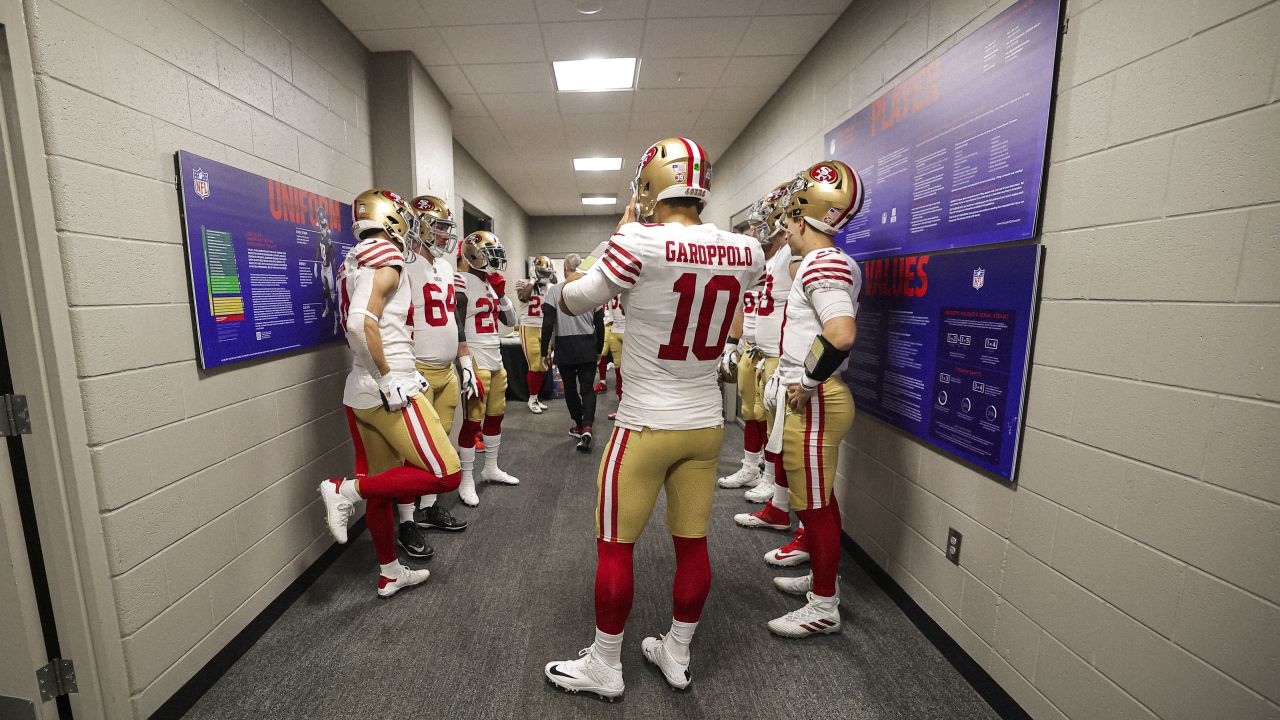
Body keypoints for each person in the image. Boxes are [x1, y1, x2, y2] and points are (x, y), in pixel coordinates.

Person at [544, 137, 764, 700]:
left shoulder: (636, 239)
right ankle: (678, 650)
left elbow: (571, 299)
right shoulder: (748, 249)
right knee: (693, 543)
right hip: (706, 424)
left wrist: (617, 236)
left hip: (645, 423)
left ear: (650, 186)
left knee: (615, 545)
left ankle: (606, 664)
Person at [317, 188, 461, 598]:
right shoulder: (387, 256)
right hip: (388, 386)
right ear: (391, 219)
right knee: (444, 473)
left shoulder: (357, 257)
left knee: (381, 482)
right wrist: (387, 380)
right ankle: (343, 489)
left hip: (358, 389)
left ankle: (390, 572)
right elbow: (361, 323)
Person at [762, 160, 864, 636]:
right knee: (817, 500)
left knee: (815, 506)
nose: (786, 231)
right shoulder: (828, 262)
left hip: (817, 398)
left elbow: (840, 334)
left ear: (803, 220)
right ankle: (824, 585)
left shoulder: (823, 261)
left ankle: (823, 608)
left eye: (788, 222)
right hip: (815, 395)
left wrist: (802, 382)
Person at [730, 183, 811, 569]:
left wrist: (803, 372)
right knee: (759, 419)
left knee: (782, 438)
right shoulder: (769, 259)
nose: (756, 230)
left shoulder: (797, 261)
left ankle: (776, 498)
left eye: (766, 221)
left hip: (789, 363)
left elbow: (826, 323)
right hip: (765, 352)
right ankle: (767, 489)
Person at [390, 195, 472, 561]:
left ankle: (428, 509)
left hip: (446, 372)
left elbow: (452, 320)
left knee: (440, 447)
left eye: (445, 228)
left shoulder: (443, 267)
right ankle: (406, 520)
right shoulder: (402, 266)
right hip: (418, 371)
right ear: (420, 224)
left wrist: (464, 360)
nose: (443, 235)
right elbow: (393, 324)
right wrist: (403, 370)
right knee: (413, 450)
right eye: (438, 227)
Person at [454, 230, 521, 506]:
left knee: (496, 416)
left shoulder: (491, 284)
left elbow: (511, 321)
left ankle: (491, 467)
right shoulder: (460, 281)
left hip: (496, 358)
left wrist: (503, 295)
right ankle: (466, 478)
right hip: (476, 358)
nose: (495, 261)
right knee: (472, 421)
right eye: (490, 255)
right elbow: (457, 323)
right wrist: (464, 363)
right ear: (474, 255)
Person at [540, 253, 605, 452]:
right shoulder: (591, 291)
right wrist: (599, 349)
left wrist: (544, 351)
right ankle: (587, 426)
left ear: (566, 269)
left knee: (570, 388)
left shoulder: (554, 292)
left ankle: (579, 424)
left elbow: (548, 323)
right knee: (587, 388)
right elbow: (599, 324)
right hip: (587, 344)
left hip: (564, 345)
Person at [517, 256, 556, 414]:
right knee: (534, 365)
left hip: (544, 328)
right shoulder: (523, 282)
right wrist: (533, 279)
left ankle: (535, 397)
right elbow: (523, 297)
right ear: (533, 270)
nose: (544, 275)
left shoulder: (548, 286)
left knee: (543, 365)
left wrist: (547, 272)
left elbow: (555, 278)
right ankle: (531, 399)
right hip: (529, 327)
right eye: (541, 272)